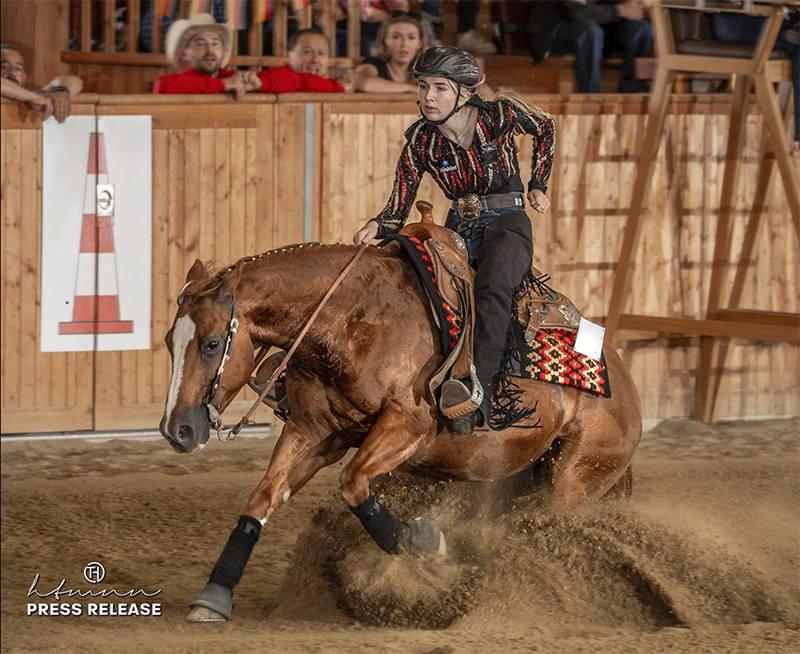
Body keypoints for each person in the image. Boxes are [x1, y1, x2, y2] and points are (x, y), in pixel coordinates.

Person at [352, 45, 556, 435]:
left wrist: (538, 184)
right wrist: (377, 226)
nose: (428, 97)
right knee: (406, 281)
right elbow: (399, 204)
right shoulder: (420, 140)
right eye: (424, 86)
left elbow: (545, 126)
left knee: (494, 288)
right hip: (456, 229)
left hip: (508, 222)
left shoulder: (498, 116)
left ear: (464, 92)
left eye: (440, 88)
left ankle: (479, 393)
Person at [527, 0, 653, 94]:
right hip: (554, 32)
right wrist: (619, 11)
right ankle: (591, 99)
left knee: (642, 29)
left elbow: (634, 6)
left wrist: (642, 6)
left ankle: (631, 97)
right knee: (589, 31)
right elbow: (577, 12)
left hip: (599, 31)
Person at [1, 44, 83, 124]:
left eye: (18, 69)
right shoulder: (33, 97)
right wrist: (31, 97)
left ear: (24, 77)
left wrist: (59, 91)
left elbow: (75, 81)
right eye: (3, 67)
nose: (12, 73)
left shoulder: (36, 97)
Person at [354, 14, 427, 93]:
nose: (404, 44)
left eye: (411, 37)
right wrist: (411, 88)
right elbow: (365, 83)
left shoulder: (425, 69)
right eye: (396, 37)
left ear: (419, 43)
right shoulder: (373, 63)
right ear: (385, 41)